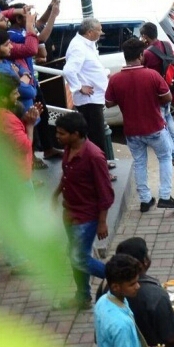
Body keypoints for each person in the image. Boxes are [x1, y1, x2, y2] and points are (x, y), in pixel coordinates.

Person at [105, 39, 174, 212]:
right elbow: (168, 97)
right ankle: (165, 196)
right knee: (165, 158)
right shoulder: (152, 75)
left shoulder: (116, 79)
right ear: (141, 56)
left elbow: (109, 103)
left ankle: (145, 200)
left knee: (140, 162)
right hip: (154, 126)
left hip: (132, 130)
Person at [54, 111, 114, 310]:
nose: (58, 137)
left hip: (86, 218)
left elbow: (105, 192)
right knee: (77, 255)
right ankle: (82, 296)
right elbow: (67, 175)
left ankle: (117, 278)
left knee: (78, 257)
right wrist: (56, 193)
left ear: (76, 133)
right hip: (70, 214)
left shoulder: (94, 156)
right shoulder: (68, 148)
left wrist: (102, 221)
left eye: (62, 133)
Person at [94, 254, 168, 347]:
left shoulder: (103, 301)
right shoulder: (121, 325)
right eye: (132, 284)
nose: (138, 286)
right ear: (115, 287)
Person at [63, 18, 113, 161]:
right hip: (89, 100)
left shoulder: (87, 44)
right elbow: (69, 71)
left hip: (95, 98)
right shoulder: (78, 47)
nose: (101, 33)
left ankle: (99, 165)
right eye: (99, 30)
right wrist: (79, 87)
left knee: (96, 135)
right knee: (96, 137)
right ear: (90, 32)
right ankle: (100, 167)